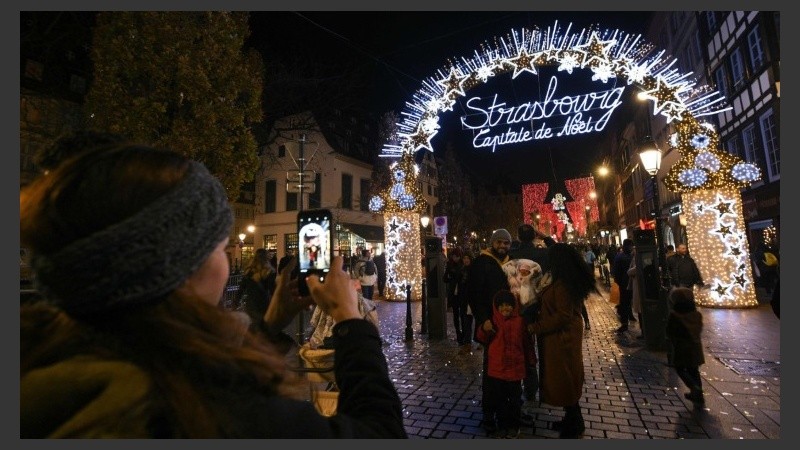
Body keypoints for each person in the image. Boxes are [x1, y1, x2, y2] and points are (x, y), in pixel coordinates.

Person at [20, 144, 407, 438]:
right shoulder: (217, 414)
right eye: (221, 249)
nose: (226, 262)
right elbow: (381, 431)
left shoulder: (41, 363)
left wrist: (270, 324)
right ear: (181, 270)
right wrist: (351, 322)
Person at [526, 243, 599, 439]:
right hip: (559, 337)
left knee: (565, 378)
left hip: (563, 338)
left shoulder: (564, 284)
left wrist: (537, 327)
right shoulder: (561, 279)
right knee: (565, 378)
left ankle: (575, 423)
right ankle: (572, 417)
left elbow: (563, 316)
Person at [466, 228, 512, 433]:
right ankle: (489, 411)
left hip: (511, 325)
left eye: (506, 243)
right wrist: (483, 319)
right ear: (493, 243)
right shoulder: (481, 263)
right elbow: (474, 294)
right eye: (499, 242)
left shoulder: (512, 263)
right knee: (491, 370)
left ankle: (509, 408)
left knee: (510, 367)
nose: (502, 246)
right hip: (491, 326)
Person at [476, 290, 537, 439]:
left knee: (515, 401)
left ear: (514, 306)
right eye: (502, 306)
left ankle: (514, 426)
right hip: (497, 370)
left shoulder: (520, 322)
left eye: (508, 306)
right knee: (501, 401)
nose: (505, 309)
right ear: (496, 307)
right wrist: (484, 328)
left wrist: (531, 361)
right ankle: (503, 425)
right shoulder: (493, 322)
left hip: (515, 371)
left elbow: (526, 344)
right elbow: (481, 337)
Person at [507, 223, 554, 402]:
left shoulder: (513, 254)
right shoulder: (542, 253)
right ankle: (534, 387)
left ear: (518, 236)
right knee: (536, 348)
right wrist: (546, 238)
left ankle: (516, 385)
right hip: (537, 305)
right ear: (534, 236)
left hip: (518, 304)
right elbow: (558, 251)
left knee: (519, 346)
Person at [665, 287, 706, 405]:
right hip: (696, 347)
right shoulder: (696, 314)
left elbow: (670, 331)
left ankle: (694, 388)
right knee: (694, 370)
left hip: (682, 347)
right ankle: (699, 395)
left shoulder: (675, 315)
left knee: (680, 368)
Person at [237, 248, 278, 335]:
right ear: (266, 258)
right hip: (264, 303)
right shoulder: (269, 272)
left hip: (250, 303)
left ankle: (250, 345)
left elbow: (241, 289)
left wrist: (235, 303)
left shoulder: (248, 272)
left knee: (252, 327)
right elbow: (272, 290)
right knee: (262, 329)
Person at [443, 247, 468, 346]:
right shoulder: (450, 265)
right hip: (453, 293)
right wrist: (452, 280)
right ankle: (458, 334)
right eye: (454, 256)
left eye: (457, 256)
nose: (455, 258)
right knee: (456, 315)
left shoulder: (463, 265)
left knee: (463, 314)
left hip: (462, 293)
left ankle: (464, 335)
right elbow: (444, 278)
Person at [612, 239, 635, 333]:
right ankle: (625, 322)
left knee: (626, 303)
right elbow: (616, 272)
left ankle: (628, 319)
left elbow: (615, 272)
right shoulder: (621, 256)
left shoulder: (630, 256)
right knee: (625, 303)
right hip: (625, 283)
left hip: (628, 283)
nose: (630, 247)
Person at [627, 247, 645, 340]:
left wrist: (630, 271)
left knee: (641, 311)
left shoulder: (638, 258)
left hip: (640, 287)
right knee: (640, 311)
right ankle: (643, 330)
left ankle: (644, 331)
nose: (632, 250)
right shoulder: (636, 257)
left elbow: (631, 271)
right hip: (640, 287)